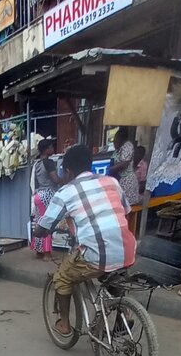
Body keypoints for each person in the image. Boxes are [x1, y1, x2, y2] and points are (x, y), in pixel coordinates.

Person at [35, 144, 135, 338]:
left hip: (96, 254)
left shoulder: (65, 192)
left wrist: (39, 232)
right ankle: (124, 315)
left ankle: (64, 324)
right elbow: (126, 212)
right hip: (126, 248)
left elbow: (44, 226)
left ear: (68, 171)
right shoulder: (111, 182)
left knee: (62, 277)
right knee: (112, 274)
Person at [30, 138, 61, 260]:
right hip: (48, 195)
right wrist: (66, 181)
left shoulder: (37, 164)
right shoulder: (49, 163)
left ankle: (39, 252)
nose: (53, 149)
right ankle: (47, 254)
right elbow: (55, 179)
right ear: (46, 149)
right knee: (47, 224)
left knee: (39, 223)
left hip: (38, 196)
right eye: (51, 147)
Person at [109, 127, 140, 207]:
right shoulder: (117, 150)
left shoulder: (127, 146)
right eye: (113, 141)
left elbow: (124, 164)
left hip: (127, 183)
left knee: (127, 206)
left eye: (116, 141)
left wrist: (110, 169)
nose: (114, 143)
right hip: (119, 181)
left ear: (121, 140)